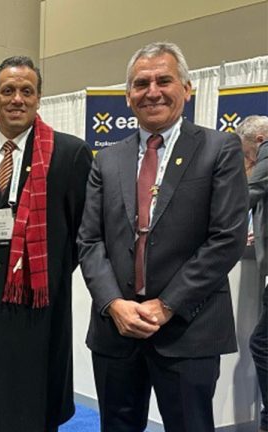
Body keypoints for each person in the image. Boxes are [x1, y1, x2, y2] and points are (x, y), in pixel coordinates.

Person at [78, 42, 248, 432]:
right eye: (141, 83)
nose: (152, 91)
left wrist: (167, 304)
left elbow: (227, 238)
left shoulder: (219, 149)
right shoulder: (107, 159)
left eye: (164, 80)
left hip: (188, 328)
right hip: (116, 329)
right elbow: (89, 241)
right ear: (128, 96)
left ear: (187, 89)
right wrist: (113, 304)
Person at [0, 56, 92, 431]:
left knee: (37, 396)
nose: (17, 99)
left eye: (26, 91)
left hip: (40, 295)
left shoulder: (70, 154)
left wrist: (42, 267)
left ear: (38, 97)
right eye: (8, 90)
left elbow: (81, 230)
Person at [236, 114, 268, 432]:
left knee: (261, 344)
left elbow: (247, 195)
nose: (249, 161)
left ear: (258, 141)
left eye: (247, 154)